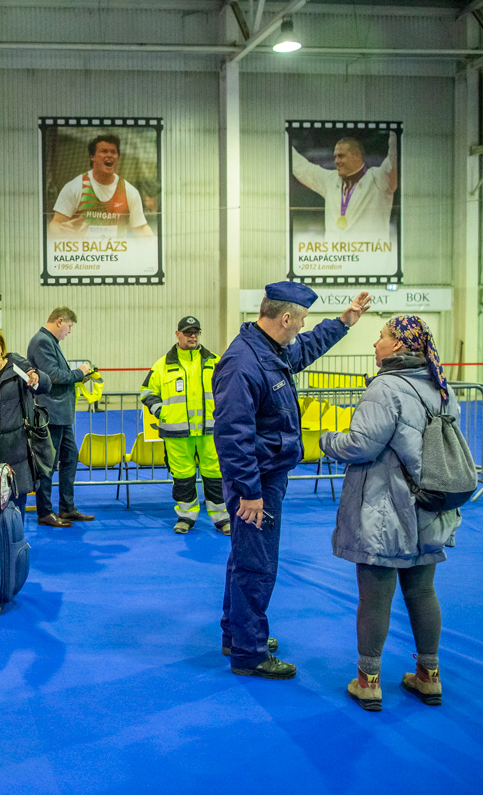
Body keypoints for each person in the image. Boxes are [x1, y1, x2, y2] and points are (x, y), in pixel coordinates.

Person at [214, 282, 371, 679]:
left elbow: (309, 346)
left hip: (265, 477)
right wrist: (249, 492)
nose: (303, 327)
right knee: (257, 564)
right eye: (301, 320)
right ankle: (249, 653)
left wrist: (345, 321)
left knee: (246, 558)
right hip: (257, 482)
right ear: (285, 318)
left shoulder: (269, 351)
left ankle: (238, 634)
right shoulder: (244, 362)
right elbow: (234, 435)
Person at [319, 315, 459, 711]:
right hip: (429, 507)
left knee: (375, 597)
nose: (375, 343)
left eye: (380, 336)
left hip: (385, 510)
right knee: (423, 591)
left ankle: (368, 681)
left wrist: (327, 440)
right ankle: (429, 676)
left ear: (397, 345)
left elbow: (361, 445)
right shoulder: (439, 386)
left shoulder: (385, 387)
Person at [140, 316, 230, 536]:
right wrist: (162, 411)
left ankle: (221, 518)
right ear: (177, 334)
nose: (193, 336)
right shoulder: (162, 365)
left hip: (210, 431)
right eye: (188, 332)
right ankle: (186, 517)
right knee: (182, 477)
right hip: (176, 433)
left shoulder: (215, 362)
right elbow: (147, 392)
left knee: (215, 476)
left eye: (196, 332)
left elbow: (230, 389)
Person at [26, 307, 93, 528]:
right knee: (48, 464)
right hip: (51, 414)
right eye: (69, 326)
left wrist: (76, 378)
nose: (69, 331)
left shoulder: (48, 341)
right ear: (60, 321)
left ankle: (67, 508)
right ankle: (45, 512)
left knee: (70, 458)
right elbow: (52, 376)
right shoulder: (42, 341)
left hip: (60, 415)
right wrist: (79, 373)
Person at [0, 327, 48, 516]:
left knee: (14, 503)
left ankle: (15, 543)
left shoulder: (17, 370)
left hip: (14, 446)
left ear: (1, 346)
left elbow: (43, 386)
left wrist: (37, 376)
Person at [291, 132, 398, 238]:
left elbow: (394, 158)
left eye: (341, 156)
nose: (336, 161)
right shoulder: (329, 180)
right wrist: (282, 135)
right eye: (335, 157)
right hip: (335, 255)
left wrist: (396, 131)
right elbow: (301, 167)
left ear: (357, 156)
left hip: (369, 254)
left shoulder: (378, 179)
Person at [49, 134, 154, 239]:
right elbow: (55, 225)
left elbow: (140, 228)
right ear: (92, 157)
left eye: (113, 152)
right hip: (83, 253)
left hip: (117, 254)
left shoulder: (129, 191)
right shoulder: (74, 188)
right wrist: (61, 231)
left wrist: (154, 244)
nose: (110, 155)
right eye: (104, 151)